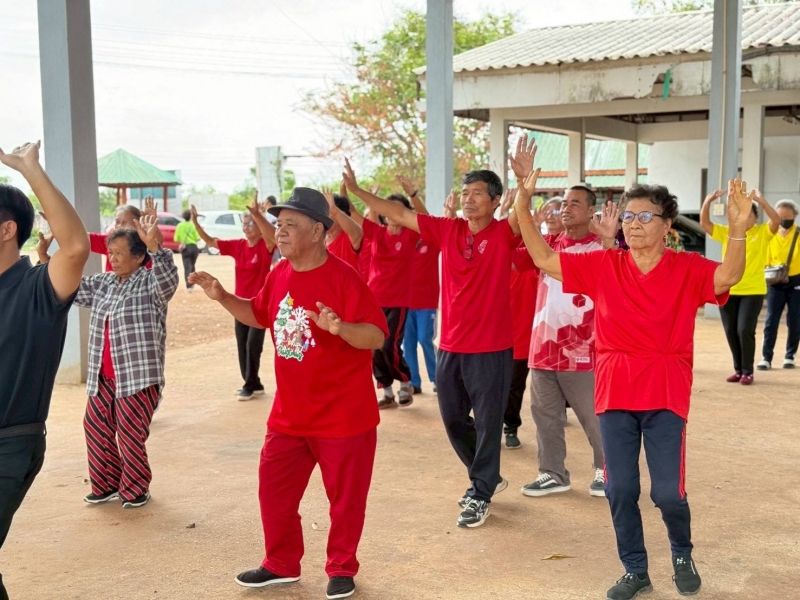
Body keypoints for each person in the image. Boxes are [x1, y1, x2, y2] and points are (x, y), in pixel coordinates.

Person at [515, 154, 750, 599]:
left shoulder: (686, 267)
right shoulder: (605, 265)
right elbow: (544, 258)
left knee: (668, 493)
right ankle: (635, 569)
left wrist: (737, 228)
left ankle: (681, 552)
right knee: (620, 489)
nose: (634, 224)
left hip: (665, 390)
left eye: (645, 216)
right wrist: (522, 206)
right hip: (615, 389)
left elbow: (729, 275)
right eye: (628, 216)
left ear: (667, 225)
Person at [189, 187, 387, 600]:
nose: (279, 231)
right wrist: (223, 297)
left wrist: (341, 329)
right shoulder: (279, 273)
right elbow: (258, 314)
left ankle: (341, 568)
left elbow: (376, 336)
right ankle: (280, 563)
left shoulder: (344, 277)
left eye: (290, 224)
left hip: (343, 416)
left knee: (345, 502)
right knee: (274, 490)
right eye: (279, 224)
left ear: (317, 231)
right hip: (289, 415)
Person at [344, 158, 522, 528]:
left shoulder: (503, 233)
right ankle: (487, 475)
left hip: (491, 348)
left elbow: (521, 215)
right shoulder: (448, 229)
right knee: (453, 419)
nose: (469, 199)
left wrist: (523, 182)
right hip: (451, 346)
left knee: (488, 423)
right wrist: (358, 191)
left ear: (495, 201)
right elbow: (398, 213)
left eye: (478, 194)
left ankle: (481, 491)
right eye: (466, 193)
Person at [0, 141, 90, 600]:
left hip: (9, 446)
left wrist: (29, 169)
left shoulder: (36, 288)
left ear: (7, 230)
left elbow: (74, 247)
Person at [55, 215, 179, 509]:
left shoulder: (150, 283)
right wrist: (49, 259)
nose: (113, 259)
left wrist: (155, 248)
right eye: (111, 253)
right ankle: (107, 484)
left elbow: (168, 279)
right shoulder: (104, 282)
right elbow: (69, 288)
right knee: (94, 426)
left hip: (137, 377)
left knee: (129, 432)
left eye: (120, 253)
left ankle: (136, 488)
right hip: (103, 376)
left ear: (138, 257)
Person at [515, 183, 606, 499]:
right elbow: (512, 257)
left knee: (593, 416)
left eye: (575, 203)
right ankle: (552, 473)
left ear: (592, 211)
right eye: (564, 203)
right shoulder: (549, 244)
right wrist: (520, 207)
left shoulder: (601, 248)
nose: (566, 208)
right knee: (545, 415)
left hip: (584, 349)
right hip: (543, 347)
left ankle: (606, 470)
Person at [192, 201, 275, 400]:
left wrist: (258, 216)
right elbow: (211, 242)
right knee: (242, 344)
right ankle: (254, 383)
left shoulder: (266, 245)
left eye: (250, 224)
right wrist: (195, 223)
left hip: (260, 305)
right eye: (244, 225)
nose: (246, 228)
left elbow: (271, 235)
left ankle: (249, 385)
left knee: (253, 345)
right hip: (239, 304)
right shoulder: (239, 246)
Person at [701, 189, 779, 383]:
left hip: (753, 290)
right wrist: (708, 201)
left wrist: (762, 201)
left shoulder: (762, 232)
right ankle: (738, 370)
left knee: (744, 330)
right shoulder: (727, 232)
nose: (744, 218)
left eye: (748, 214)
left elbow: (776, 221)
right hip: (728, 289)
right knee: (731, 331)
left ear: (755, 217)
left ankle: (748, 371)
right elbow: (705, 224)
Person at [359, 190, 417, 408]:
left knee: (389, 344)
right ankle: (387, 392)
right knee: (374, 347)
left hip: (398, 301)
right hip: (374, 299)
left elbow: (424, 217)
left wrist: (413, 194)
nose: (391, 212)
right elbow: (356, 216)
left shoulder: (410, 234)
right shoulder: (377, 232)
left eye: (396, 208)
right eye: (387, 208)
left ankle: (405, 382)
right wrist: (356, 194)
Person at [397, 175, 440, 396]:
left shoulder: (431, 239)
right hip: (405, 301)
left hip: (426, 301)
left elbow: (426, 218)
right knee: (408, 343)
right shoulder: (402, 241)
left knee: (425, 339)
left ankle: (437, 378)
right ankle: (414, 381)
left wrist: (413, 195)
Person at [759, 199, 800, 370]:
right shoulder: (770, 233)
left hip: (796, 281)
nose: (783, 220)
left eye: (787, 217)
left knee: (795, 320)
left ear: (795, 216)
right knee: (771, 320)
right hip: (775, 280)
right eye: (780, 217)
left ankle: (790, 355)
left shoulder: (798, 234)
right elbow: (764, 257)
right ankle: (766, 357)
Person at [323, 189, 363, 274]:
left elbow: (358, 233)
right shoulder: (319, 240)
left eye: (328, 212)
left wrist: (334, 209)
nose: (324, 217)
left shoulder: (349, 237)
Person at [174, 209, 200, 291]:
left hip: (185, 248)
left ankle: (189, 286)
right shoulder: (193, 225)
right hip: (194, 247)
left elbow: (176, 238)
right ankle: (192, 283)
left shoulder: (179, 225)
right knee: (192, 265)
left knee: (187, 267)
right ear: (191, 216)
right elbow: (198, 238)